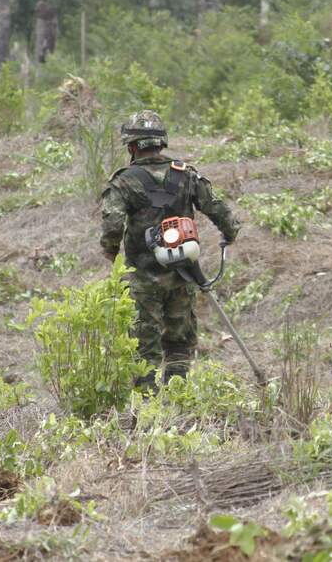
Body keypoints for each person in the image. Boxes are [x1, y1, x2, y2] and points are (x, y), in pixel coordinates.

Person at [100, 110, 240, 386]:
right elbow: (218, 209)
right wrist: (229, 233)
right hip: (183, 274)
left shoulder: (124, 181)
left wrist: (111, 253)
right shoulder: (186, 174)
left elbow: (112, 225)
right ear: (161, 142)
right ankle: (178, 397)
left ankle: (148, 408)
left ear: (131, 147)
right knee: (179, 344)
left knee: (144, 347)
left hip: (142, 279)